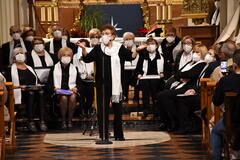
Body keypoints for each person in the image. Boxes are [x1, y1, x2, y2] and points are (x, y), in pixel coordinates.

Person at [77, 24, 143, 141]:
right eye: (103, 34)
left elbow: (130, 57)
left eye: (107, 34)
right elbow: (87, 59)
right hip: (102, 84)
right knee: (102, 110)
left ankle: (119, 134)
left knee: (118, 110)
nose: (104, 36)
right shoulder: (98, 48)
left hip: (117, 84)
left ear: (112, 36)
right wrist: (83, 49)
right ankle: (104, 135)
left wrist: (136, 50)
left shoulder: (119, 47)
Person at [157, 44, 207, 132]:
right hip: (180, 85)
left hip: (188, 88)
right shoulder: (190, 63)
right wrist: (181, 76)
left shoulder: (202, 64)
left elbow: (190, 74)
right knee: (162, 95)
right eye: (194, 52)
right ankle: (168, 122)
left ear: (202, 54)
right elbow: (177, 73)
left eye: (197, 52)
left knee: (163, 95)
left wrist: (183, 75)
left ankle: (174, 122)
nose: (195, 54)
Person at [5, 47, 47, 132]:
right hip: (19, 93)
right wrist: (19, 87)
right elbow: (8, 85)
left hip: (34, 91)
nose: (20, 55)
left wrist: (38, 85)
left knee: (41, 92)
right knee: (31, 93)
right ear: (13, 57)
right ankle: (30, 121)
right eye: (17, 54)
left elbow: (37, 81)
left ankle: (42, 121)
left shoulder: (30, 68)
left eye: (21, 53)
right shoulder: (10, 69)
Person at [210, 49, 240, 160]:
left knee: (216, 132)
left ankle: (217, 157)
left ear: (234, 64)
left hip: (233, 122)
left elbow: (216, 102)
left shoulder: (226, 80)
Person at [47, 47, 80, 129]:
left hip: (71, 91)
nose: (66, 57)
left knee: (72, 97)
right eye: (64, 55)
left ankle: (69, 120)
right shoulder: (54, 68)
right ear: (60, 56)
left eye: (68, 55)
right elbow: (49, 84)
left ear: (71, 57)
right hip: (58, 92)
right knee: (64, 97)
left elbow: (80, 84)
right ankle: (63, 121)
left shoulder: (74, 68)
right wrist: (54, 88)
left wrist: (76, 88)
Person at [135, 37, 165, 117]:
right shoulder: (143, 56)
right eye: (149, 44)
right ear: (146, 46)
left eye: (152, 44)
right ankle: (146, 108)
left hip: (157, 77)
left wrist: (163, 73)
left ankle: (156, 108)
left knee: (154, 84)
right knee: (145, 85)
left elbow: (166, 69)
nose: (151, 46)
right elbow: (138, 69)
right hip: (145, 77)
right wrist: (139, 74)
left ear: (156, 45)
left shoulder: (161, 56)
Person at [73, 39, 94, 118]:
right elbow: (76, 69)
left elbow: (94, 67)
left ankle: (88, 109)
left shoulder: (91, 55)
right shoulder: (76, 56)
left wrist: (92, 75)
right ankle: (82, 111)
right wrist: (84, 76)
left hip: (91, 79)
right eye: (80, 47)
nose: (82, 48)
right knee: (81, 92)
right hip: (80, 80)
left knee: (90, 94)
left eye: (84, 46)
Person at [122, 32, 140, 103]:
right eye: (126, 39)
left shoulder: (138, 48)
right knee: (125, 77)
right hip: (125, 70)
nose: (128, 40)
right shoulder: (121, 49)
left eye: (130, 39)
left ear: (134, 39)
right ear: (123, 40)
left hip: (136, 70)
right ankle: (125, 96)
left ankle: (136, 97)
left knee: (137, 75)